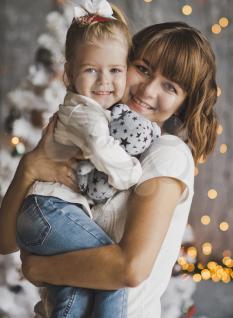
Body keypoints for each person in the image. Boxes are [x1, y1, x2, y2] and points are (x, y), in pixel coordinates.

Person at [0, 21, 218, 318]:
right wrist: (28, 167)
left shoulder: (166, 153)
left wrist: (39, 267)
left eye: (170, 86)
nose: (148, 89)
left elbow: (129, 268)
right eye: (142, 68)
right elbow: (5, 241)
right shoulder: (92, 127)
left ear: (183, 103)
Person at [15, 0, 159, 318]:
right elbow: (103, 150)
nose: (105, 81)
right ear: (68, 73)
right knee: (110, 268)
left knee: (74, 288)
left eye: (115, 70)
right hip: (49, 210)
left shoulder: (97, 110)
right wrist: (134, 171)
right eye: (91, 70)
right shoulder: (85, 114)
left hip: (45, 213)